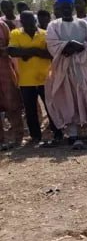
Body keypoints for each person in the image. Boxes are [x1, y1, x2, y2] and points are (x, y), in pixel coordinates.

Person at [46, 0, 87, 150]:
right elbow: (52, 45)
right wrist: (69, 45)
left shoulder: (84, 24)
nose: (66, 10)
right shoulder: (54, 25)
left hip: (85, 68)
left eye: (68, 7)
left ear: (72, 7)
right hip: (64, 70)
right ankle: (74, 136)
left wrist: (79, 48)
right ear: (59, 8)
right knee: (69, 100)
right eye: (62, 7)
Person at [8, 10, 57, 145]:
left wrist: (27, 52)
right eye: (25, 21)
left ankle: (57, 133)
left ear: (35, 21)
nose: (28, 24)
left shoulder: (45, 34)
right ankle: (35, 136)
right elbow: (12, 51)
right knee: (30, 110)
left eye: (31, 21)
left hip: (45, 78)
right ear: (21, 22)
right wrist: (35, 50)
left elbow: (51, 53)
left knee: (51, 107)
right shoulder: (15, 33)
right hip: (26, 80)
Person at [0, 19, 24, 149]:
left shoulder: (2, 25)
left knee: (12, 105)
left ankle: (18, 138)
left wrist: (3, 50)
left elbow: (11, 47)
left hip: (5, 70)